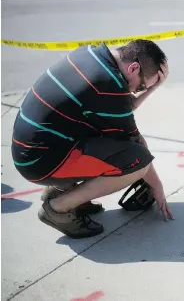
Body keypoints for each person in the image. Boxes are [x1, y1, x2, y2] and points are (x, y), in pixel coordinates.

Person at [11, 39, 174, 239]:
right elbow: (135, 142)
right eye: (140, 86)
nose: (134, 91)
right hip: (40, 162)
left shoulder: (90, 54)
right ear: (133, 68)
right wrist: (156, 185)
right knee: (138, 161)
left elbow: (119, 106)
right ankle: (58, 208)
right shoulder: (107, 84)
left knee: (108, 136)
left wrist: (151, 87)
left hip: (33, 151)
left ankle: (62, 190)